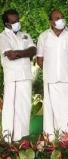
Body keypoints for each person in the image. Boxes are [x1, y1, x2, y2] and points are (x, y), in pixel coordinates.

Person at [37, 9, 68, 140]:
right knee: (52, 113)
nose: (60, 20)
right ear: (51, 21)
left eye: (62, 17)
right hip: (51, 81)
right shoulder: (43, 36)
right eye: (57, 18)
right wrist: (50, 71)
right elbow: (40, 59)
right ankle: (52, 141)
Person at [0, 9, 36, 142]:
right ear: (7, 23)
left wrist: (19, 53)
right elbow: (11, 55)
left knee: (25, 107)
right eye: (14, 22)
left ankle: (23, 138)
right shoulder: (2, 37)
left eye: (18, 20)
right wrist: (25, 53)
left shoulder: (25, 35)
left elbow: (34, 50)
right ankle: (8, 139)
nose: (17, 23)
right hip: (12, 78)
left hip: (26, 76)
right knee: (11, 108)